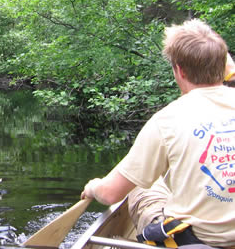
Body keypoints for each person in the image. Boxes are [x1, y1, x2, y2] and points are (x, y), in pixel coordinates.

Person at [81, 19, 235, 247]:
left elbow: (111, 194)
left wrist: (94, 186)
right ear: (224, 66)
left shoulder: (168, 120)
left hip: (195, 242)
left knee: (141, 185)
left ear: (179, 70)